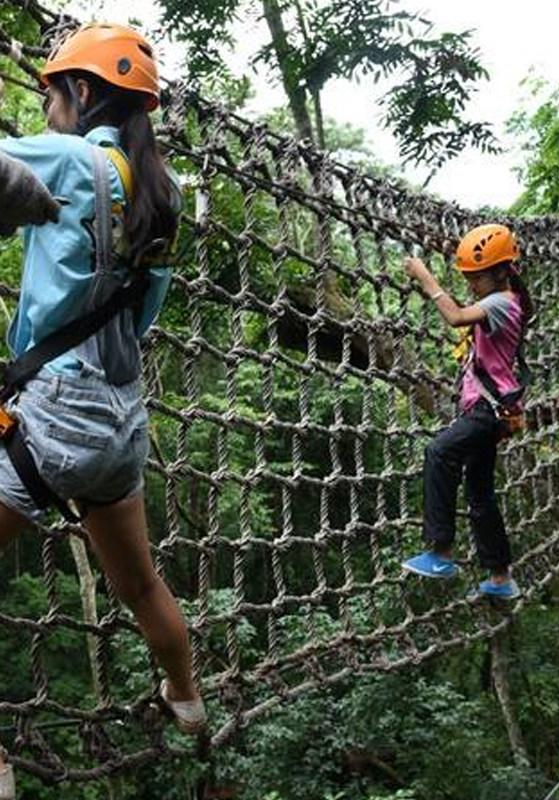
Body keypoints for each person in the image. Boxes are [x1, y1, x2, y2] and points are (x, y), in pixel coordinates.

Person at [0, 23, 205, 797]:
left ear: (81, 93)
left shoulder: (67, 155)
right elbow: (144, 313)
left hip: (54, 417)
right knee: (140, 583)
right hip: (123, 418)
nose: (45, 107)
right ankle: (186, 697)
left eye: (51, 93)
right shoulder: (168, 191)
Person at [401, 224, 532, 600]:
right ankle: (499, 576)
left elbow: (456, 317)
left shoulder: (501, 303)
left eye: (477, 278)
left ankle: (440, 552)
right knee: (479, 493)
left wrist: (426, 278)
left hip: (489, 411)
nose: (471, 285)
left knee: (439, 452)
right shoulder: (506, 298)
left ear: (502, 272)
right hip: (494, 409)